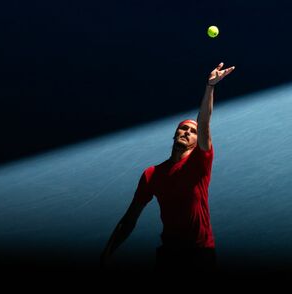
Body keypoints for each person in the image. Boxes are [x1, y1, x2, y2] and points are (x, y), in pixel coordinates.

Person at [100, 62, 235, 272]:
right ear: (175, 134)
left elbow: (205, 122)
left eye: (192, 131)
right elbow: (129, 219)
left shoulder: (200, 162)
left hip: (201, 253)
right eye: (183, 129)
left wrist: (210, 87)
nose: (187, 132)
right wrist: (106, 253)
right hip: (170, 254)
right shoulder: (152, 174)